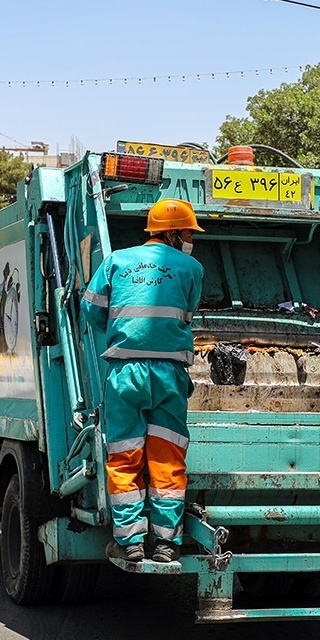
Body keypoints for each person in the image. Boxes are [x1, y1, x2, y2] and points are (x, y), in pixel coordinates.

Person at [81, 198, 205, 563]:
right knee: (168, 459)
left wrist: (123, 332)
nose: (190, 239)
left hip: (126, 373)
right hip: (169, 374)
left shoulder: (116, 261)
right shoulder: (192, 268)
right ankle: (167, 543)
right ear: (172, 232)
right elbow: (188, 311)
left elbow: (90, 308)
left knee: (124, 456)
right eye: (187, 233)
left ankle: (130, 542)